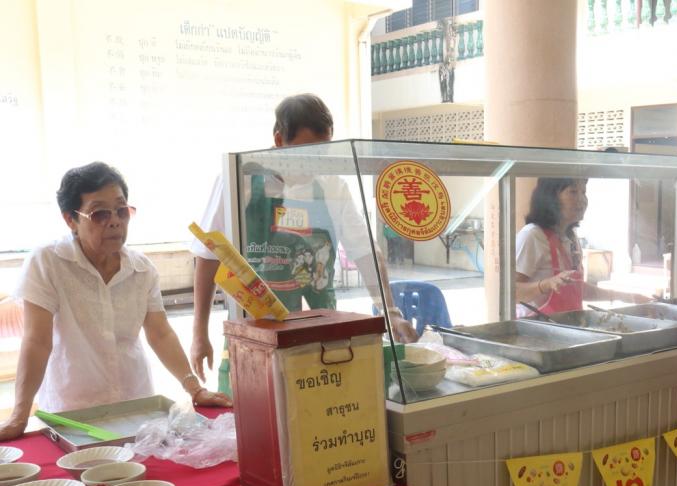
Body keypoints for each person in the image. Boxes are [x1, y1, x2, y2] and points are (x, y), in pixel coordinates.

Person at [190, 94, 416, 393]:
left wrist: (391, 312)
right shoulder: (239, 181)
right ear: (279, 139)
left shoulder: (333, 187)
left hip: (320, 342)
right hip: (254, 336)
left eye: (323, 152)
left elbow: (365, 252)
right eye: (307, 151)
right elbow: (208, 256)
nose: (314, 162)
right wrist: (199, 333)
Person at [0, 162, 230, 441]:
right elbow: (37, 341)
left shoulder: (141, 268)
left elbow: (160, 334)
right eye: (99, 214)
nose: (114, 221)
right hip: (73, 414)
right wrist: (19, 415)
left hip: (137, 408)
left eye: (121, 211)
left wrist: (195, 389)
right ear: (71, 220)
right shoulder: (47, 262)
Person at [515, 178, 650, 316]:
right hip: (535, 327)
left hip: (566, 325)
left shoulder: (571, 237)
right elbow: (512, 292)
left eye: (583, 192)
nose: (582, 200)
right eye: (573, 192)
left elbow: (577, 290)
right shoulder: (532, 235)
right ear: (550, 197)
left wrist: (629, 297)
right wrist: (547, 284)